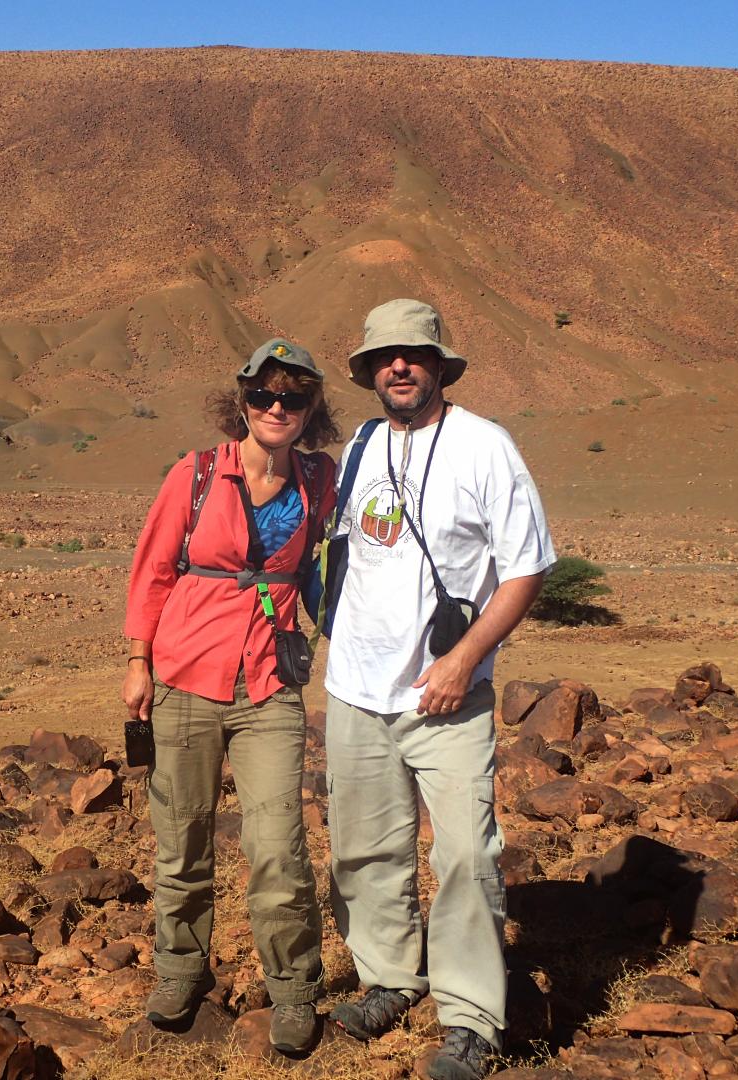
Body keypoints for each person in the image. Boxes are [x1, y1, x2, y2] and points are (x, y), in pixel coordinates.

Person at [323, 300, 555, 1080]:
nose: (399, 366)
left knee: (463, 857)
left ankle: (470, 1019)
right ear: (369, 370)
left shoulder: (485, 447)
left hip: (446, 694)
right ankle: (388, 979)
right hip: (356, 687)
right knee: (365, 851)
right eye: (385, 355)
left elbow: (525, 569)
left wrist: (465, 660)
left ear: (438, 365)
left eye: (414, 355)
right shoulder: (359, 446)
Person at [123, 338, 340, 1055]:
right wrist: (137, 663)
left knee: (278, 844)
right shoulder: (195, 475)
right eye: (263, 396)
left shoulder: (320, 480)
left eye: (293, 397)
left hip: (269, 682)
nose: (277, 408)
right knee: (182, 839)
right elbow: (153, 568)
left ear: (312, 409)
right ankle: (181, 969)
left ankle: (293, 989)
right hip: (185, 676)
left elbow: (333, 564)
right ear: (241, 401)